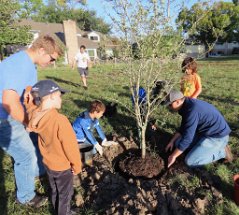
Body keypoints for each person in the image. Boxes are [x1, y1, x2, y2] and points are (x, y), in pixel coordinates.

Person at [0, 34, 63, 207]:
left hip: (12, 114)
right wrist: (29, 123)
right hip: (4, 120)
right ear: (42, 50)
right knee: (26, 155)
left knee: (36, 142)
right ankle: (26, 197)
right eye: (51, 59)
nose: (52, 62)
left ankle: (35, 172)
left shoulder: (28, 64)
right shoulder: (19, 65)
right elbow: (9, 102)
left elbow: (27, 91)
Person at [25, 80, 82, 215]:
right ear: (51, 96)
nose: (61, 98)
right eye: (59, 95)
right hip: (62, 167)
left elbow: (30, 107)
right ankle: (64, 212)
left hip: (49, 164)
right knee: (65, 195)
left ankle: (60, 210)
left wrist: (30, 93)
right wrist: (77, 165)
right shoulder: (59, 120)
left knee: (55, 190)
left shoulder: (35, 115)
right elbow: (71, 147)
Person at [165, 90, 232, 168]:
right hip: (205, 132)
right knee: (177, 143)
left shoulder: (191, 111)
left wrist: (173, 156)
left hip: (217, 136)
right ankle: (201, 147)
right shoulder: (186, 104)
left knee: (190, 161)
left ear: (177, 101)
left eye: (170, 105)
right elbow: (184, 127)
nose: (169, 107)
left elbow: (187, 139)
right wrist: (172, 141)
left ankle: (221, 152)